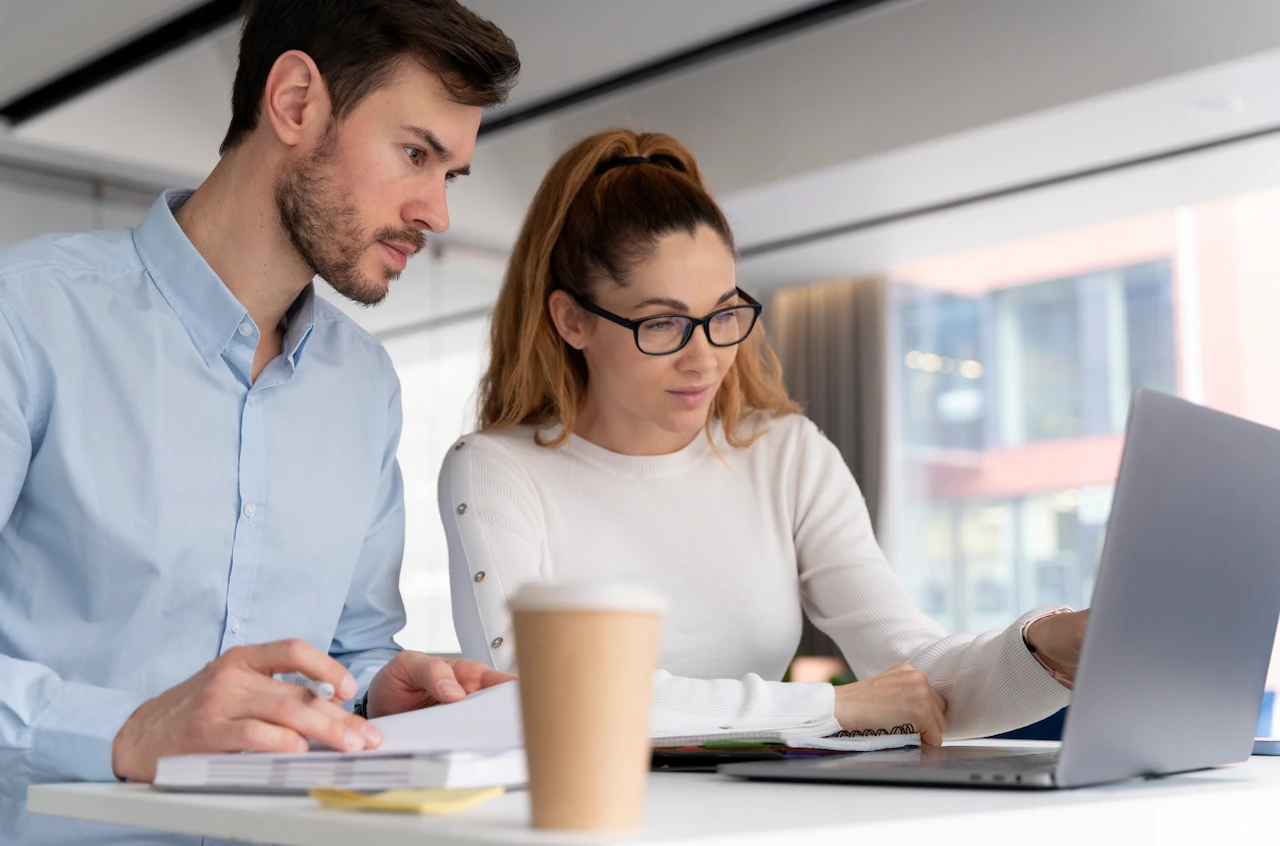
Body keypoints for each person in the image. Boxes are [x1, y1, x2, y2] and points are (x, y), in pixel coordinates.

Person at [0, 2, 519, 842]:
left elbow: (353, 648)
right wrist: (126, 733)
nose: (437, 212)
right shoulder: (25, 318)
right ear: (294, 102)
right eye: (416, 153)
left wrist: (382, 685)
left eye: (449, 174)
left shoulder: (364, 386)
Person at [440, 129, 1088, 745]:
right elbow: (540, 694)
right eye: (663, 324)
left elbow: (913, 668)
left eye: (722, 314)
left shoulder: (785, 453)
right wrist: (828, 708)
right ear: (572, 319)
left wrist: (1049, 644)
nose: (704, 359)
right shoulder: (496, 470)